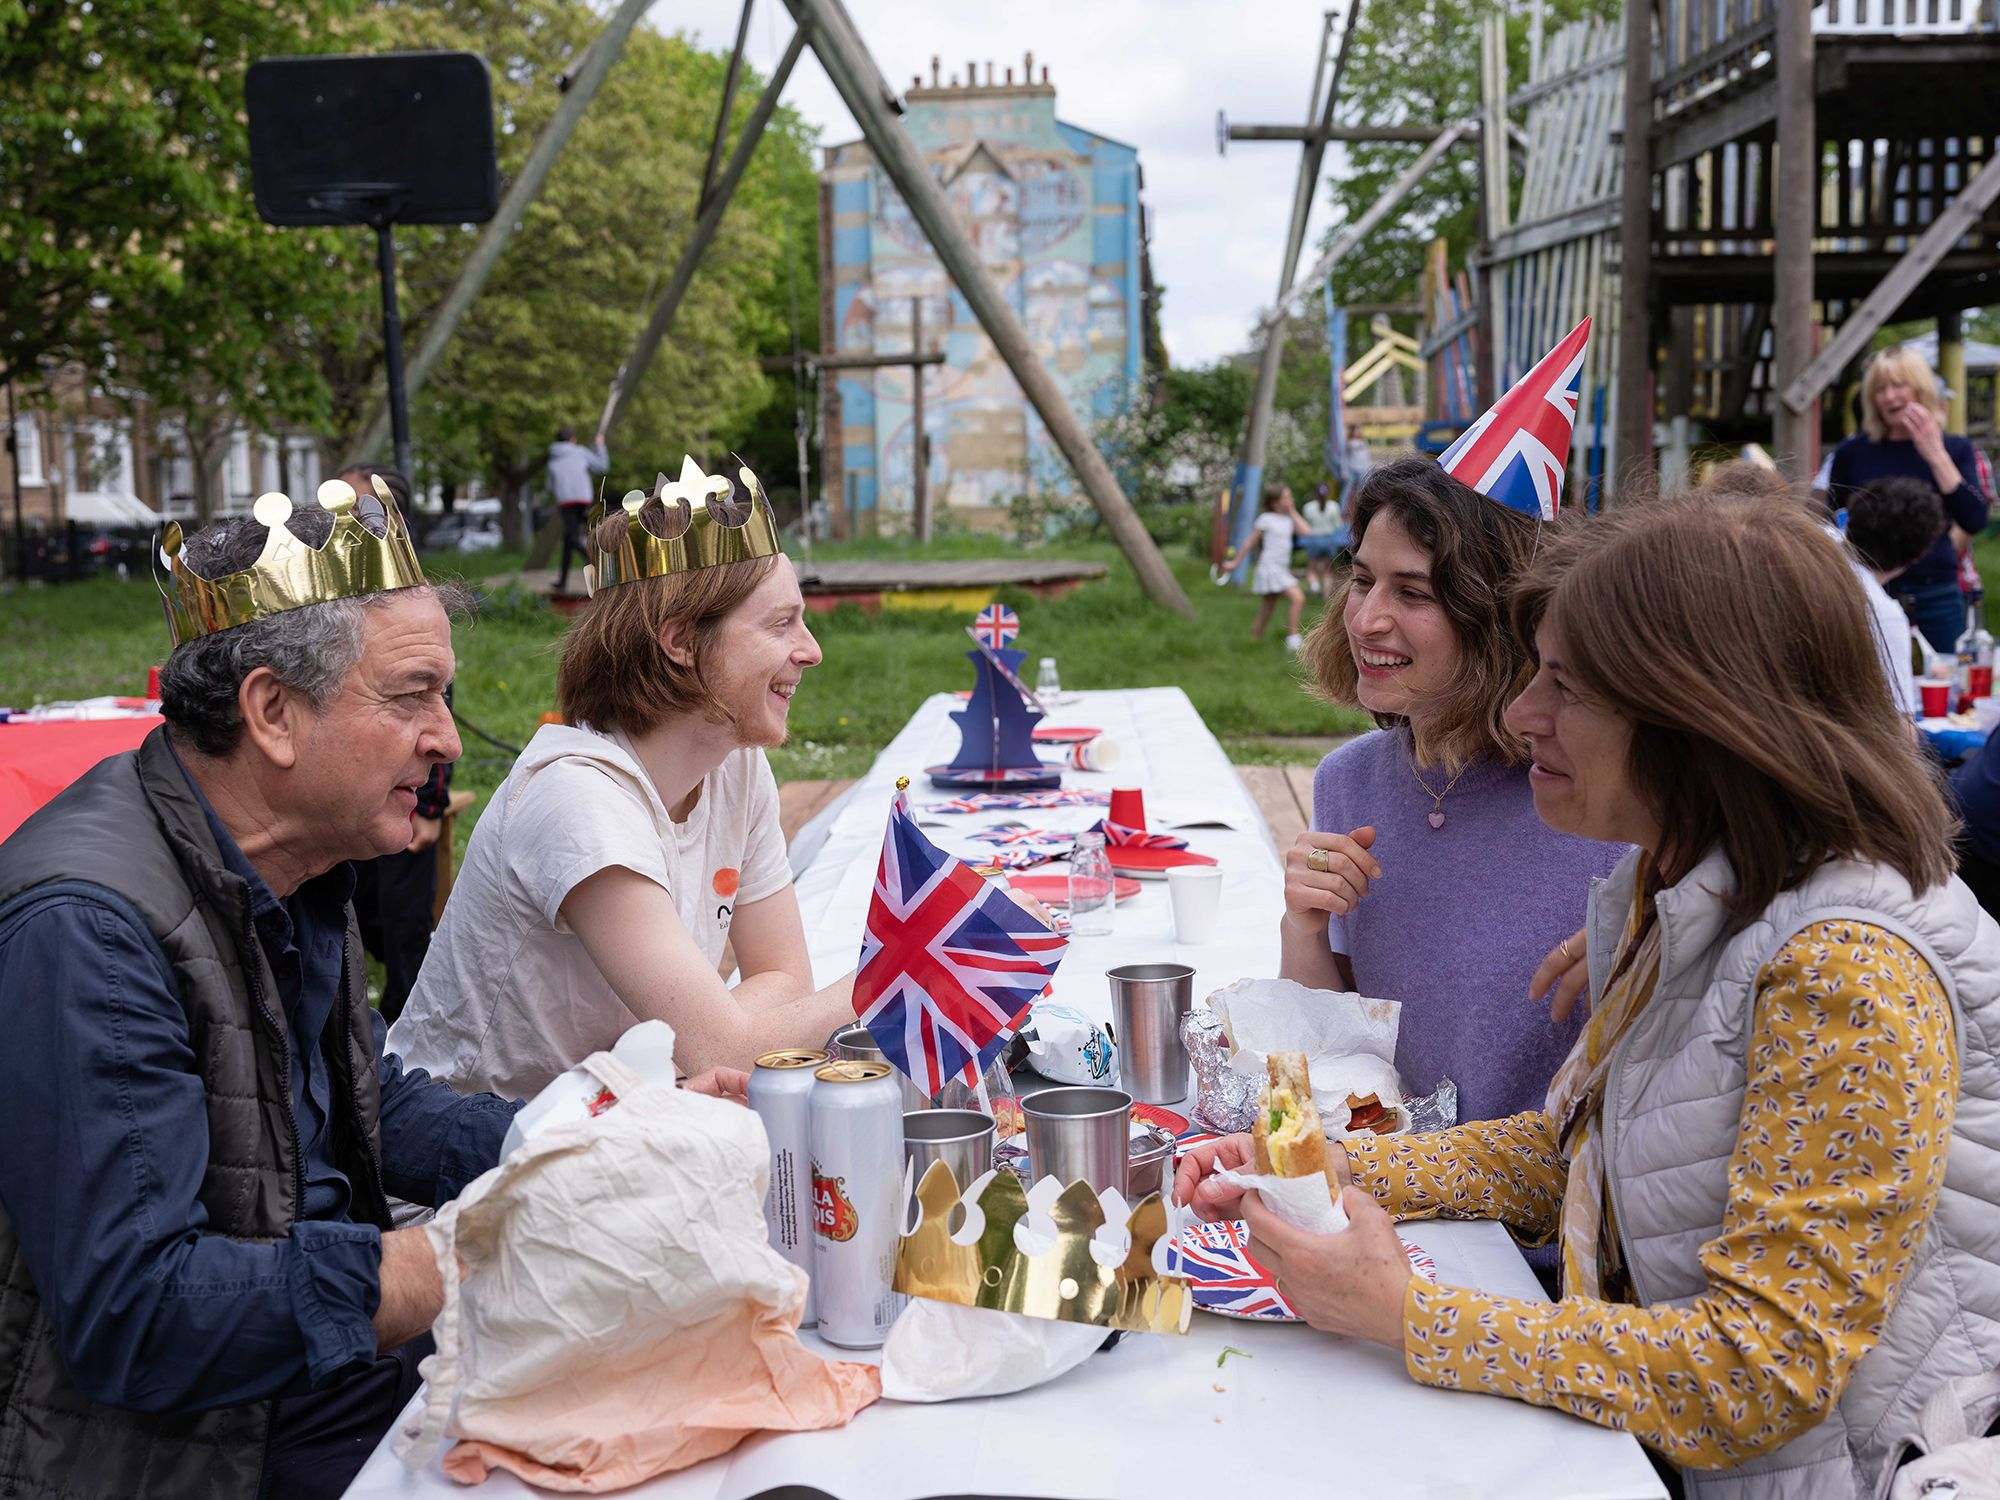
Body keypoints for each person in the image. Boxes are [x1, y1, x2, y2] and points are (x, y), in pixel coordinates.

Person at [1182, 493, 2000, 1499]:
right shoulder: (1691, 889)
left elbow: (1754, 1375)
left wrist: (1406, 1315)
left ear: (1698, 716)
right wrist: (1319, 1163)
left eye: (1563, 687)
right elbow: (1572, 1150)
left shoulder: (1845, 973)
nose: (1523, 715)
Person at [0, 485, 646, 1500]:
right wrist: (452, 1258)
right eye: (411, 695)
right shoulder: (89, 928)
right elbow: (139, 1317)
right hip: (196, 1450)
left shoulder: (291, 856)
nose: (444, 738)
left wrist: (576, 1144)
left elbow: (360, 1097)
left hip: (306, 1373)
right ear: (271, 714)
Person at [389, 458, 860, 1098]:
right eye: (780, 624)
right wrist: (906, 969)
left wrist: (697, 1043)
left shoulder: (735, 765)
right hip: (469, 1177)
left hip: (608, 1137)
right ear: (680, 641)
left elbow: (784, 981)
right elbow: (726, 1049)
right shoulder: (577, 797)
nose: (812, 650)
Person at [1285, 457, 1627, 1133]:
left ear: (1498, 621)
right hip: (1404, 1194)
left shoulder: (1602, 805)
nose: (1367, 619)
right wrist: (1305, 926)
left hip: (1542, 1218)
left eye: (1413, 594)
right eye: (1361, 580)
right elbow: (1344, 1055)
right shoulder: (1347, 781)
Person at [335, 463, 454, 1021]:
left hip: (405, 798)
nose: (349, 524)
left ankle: (411, 1030)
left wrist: (429, 807)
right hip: (351, 796)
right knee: (359, 915)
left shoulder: (410, 605)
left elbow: (436, 711)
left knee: (405, 924)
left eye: (361, 511)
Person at [1826, 344, 1990, 652]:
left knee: (1944, 689)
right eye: (1880, 389)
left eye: (1899, 385)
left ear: (1921, 389)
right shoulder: (1852, 452)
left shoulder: (1955, 449)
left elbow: (1974, 518)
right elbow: (1831, 521)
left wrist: (1934, 453)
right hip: (1869, 591)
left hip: (1936, 594)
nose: (1889, 397)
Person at [1842, 475, 1949, 716]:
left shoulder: (1811, 561)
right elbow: (1900, 727)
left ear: (1849, 519)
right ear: (1921, 553)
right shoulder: (1881, 612)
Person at [1241, 482, 1306, 651]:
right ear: (1274, 502)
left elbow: (1307, 532)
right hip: (1270, 567)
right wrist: (1235, 562)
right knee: (1298, 598)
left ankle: (1254, 639)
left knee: (1267, 607)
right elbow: (1250, 542)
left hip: (1281, 568)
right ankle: (1293, 639)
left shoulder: (1289, 519)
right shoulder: (1266, 519)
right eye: (1286, 497)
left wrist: (1292, 511)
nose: (1290, 500)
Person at [548, 424, 609, 595]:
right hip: (583, 500)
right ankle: (595, 562)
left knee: (571, 538)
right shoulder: (580, 451)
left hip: (565, 501)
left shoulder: (552, 457)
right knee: (571, 538)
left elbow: (549, 484)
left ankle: (562, 582)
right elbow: (602, 466)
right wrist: (600, 445)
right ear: (573, 439)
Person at [1298, 481, 1347, 597]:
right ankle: (1325, 596)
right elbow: (1338, 526)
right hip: (1329, 540)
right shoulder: (1334, 506)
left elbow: (1306, 525)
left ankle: (1315, 586)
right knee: (1328, 571)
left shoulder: (1308, 507)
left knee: (1311, 569)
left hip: (1313, 539)